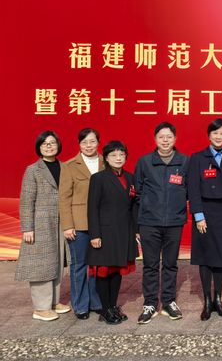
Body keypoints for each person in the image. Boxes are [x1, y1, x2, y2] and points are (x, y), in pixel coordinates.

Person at [134, 122, 189, 324]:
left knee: (170, 264)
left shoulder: (184, 161)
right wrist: (146, 212)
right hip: (149, 222)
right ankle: (150, 303)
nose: (165, 140)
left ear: (175, 139)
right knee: (150, 265)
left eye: (169, 137)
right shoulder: (145, 162)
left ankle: (168, 301)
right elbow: (138, 192)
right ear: (155, 139)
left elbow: (188, 190)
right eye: (161, 137)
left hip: (174, 222)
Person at [15, 131, 71, 321]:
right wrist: (27, 228)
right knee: (41, 264)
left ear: (58, 145)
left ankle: (53, 302)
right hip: (40, 224)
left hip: (61, 222)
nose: (49, 146)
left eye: (52, 143)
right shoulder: (33, 170)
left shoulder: (65, 167)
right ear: (39, 147)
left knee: (57, 262)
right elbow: (26, 200)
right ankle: (40, 308)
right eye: (45, 143)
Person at [188, 118, 222, 320]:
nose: (218, 136)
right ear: (209, 136)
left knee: (220, 257)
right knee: (205, 257)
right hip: (205, 214)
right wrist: (198, 216)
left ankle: (218, 298)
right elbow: (193, 189)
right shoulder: (198, 158)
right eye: (215, 133)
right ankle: (207, 301)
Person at [86, 140, 138, 324]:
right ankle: (105, 309)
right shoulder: (98, 178)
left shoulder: (130, 177)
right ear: (106, 158)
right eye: (114, 155)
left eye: (122, 154)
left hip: (124, 232)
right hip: (105, 233)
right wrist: (95, 234)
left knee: (117, 271)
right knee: (104, 271)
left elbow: (133, 206)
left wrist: (136, 230)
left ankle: (113, 306)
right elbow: (92, 208)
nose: (118, 158)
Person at [59, 128, 104, 320]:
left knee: (97, 265)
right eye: (84, 142)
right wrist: (67, 225)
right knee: (79, 265)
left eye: (92, 141)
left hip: (102, 223)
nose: (88, 145)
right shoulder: (70, 166)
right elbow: (64, 198)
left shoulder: (106, 162)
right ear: (79, 144)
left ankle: (96, 302)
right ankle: (80, 305)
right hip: (79, 223)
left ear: (98, 143)